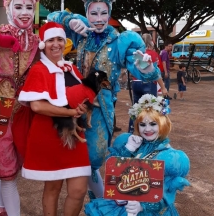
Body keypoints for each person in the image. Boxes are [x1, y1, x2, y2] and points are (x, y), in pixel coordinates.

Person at [48, 0, 161, 200]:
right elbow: (51, 17)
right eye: (94, 13)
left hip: (101, 109)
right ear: (87, 13)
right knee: (69, 154)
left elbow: (143, 72)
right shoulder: (82, 32)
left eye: (103, 13)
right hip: (74, 104)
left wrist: (146, 67)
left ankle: (99, 202)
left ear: (109, 13)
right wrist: (70, 20)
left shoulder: (121, 41)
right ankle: (96, 201)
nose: (99, 19)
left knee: (95, 158)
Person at [18, 22, 91, 216]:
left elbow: (81, 95)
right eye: (51, 40)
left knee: (78, 190)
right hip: (48, 136)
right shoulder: (38, 70)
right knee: (53, 189)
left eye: (60, 39)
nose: (56, 44)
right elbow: (37, 106)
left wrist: (83, 107)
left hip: (76, 135)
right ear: (43, 44)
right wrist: (70, 113)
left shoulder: (71, 68)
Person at [85, 93, 190, 216]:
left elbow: (166, 194)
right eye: (142, 124)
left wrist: (142, 206)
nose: (147, 129)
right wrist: (129, 149)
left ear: (162, 124)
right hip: (123, 205)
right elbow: (113, 169)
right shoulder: (132, 143)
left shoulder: (169, 157)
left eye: (153, 124)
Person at [0, 0, 40, 215]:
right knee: (6, 169)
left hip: (22, 111)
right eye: (18, 7)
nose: (25, 13)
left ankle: (2, 208)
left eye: (29, 7)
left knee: (11, 167)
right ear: (7, 8)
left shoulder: (36, 40)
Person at [128, 33, 168, 134]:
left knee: (135, 109)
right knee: (150, 110)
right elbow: (156, 73)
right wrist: (163, 87)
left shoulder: (137, 53)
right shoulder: (153, 54)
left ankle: (131, 132)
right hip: (148, 83)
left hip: (135, 83)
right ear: (151, 41)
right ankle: (149, 133)